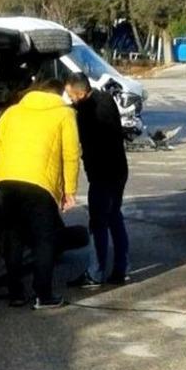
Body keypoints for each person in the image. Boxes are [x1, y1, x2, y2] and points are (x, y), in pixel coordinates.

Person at [0, 78, 81, 309]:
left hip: (5, 180)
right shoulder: (64, 114)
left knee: (13, 237)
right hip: (39, 183)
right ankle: (44, 295)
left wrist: (2, 168)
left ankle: (16, 294)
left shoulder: (12, 111)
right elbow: (70, 154)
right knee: (44, 240)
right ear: (59, 94)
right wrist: (69, 190)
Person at [64, 73, 130, 287]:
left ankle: (95, 273)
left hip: (102, 174)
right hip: (119, 169)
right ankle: (121, 268)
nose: (70, 99)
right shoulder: (106, 99)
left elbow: (81, 145)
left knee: (98, 223)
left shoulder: (85, 112)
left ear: (81, 93)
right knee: (114, 217)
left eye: (71, 95)